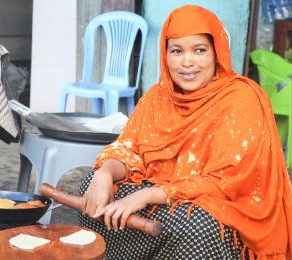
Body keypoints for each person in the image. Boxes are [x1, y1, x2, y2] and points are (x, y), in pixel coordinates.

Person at [77, 5, 292, 259]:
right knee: (91, 188)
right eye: (176, 51)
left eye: (199, 51)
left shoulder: (241, 98)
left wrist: (146, 196)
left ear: (216, 54)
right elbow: (129, 150)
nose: (187, 62)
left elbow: (225, 183)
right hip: (167, 201)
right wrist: (104, 173)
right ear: (165, 55)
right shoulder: (157, 98)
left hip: (221, 213)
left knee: (195, 224)